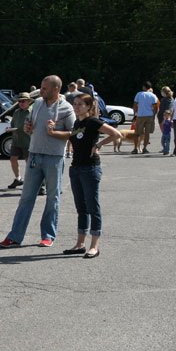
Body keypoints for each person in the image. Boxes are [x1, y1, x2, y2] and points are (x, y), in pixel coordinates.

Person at [0, 75, 75, 248]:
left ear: (56, 89)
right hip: (34, 155)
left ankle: (48, 235)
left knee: (52, 198)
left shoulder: (66, 108)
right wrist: (28, 128)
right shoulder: (38, 103)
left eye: (44, 88)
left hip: (54, 157)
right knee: (26, 198)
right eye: (41, 88)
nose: (41, 91)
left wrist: (54, 133)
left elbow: (73, 133)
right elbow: (31, 124)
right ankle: (15, 236)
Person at [63, 94, 121, 259]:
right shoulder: (77, 122)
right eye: (75, 104)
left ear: (89, 106)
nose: (76, 107)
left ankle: (94, 246)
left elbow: (116, 134)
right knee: (81, 208)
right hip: (76, 168)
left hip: (90, 168)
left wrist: (98, 145)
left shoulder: (93, 121)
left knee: (92, 207)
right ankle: (80, 244)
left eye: (80, 104)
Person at [8, 92, 33, 188]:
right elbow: (13, 125)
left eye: (23, 101)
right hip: (16, 140)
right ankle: (18, 178)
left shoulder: (32, 112)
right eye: (19, 101)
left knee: (28, 161)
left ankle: (30, 180)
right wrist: (10, 129)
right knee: (13, 159)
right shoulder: (17, 112)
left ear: (29, 102)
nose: (21, 103)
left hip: (28, 140)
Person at [132, 81, 159, 154]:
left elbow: (135, 104)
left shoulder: (139, 94)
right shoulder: (153, 95)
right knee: (147, 133)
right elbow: (155, 106)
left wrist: (135, 113)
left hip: (140, 115)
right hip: (149, 115)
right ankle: (145, 148)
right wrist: (154, 114)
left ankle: (135, 148)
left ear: (144, 87)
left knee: (137, 133)